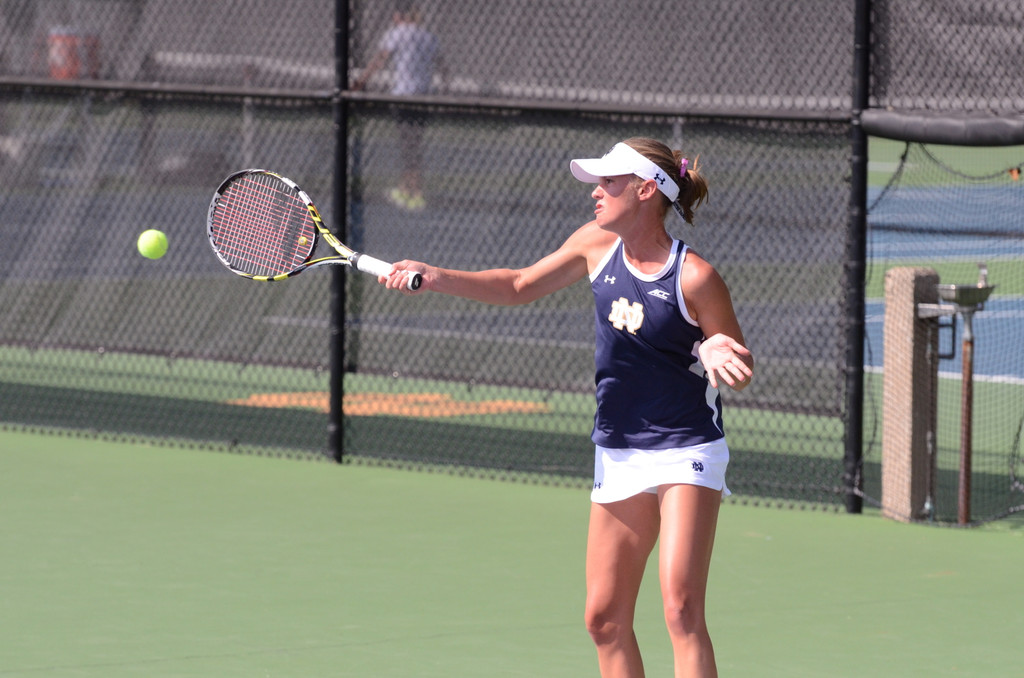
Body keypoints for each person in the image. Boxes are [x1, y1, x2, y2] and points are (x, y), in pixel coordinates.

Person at [379, 137, 754, 678]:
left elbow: (739, 371)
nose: (596, 194)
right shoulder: (593, 244)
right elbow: (516, 286)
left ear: (646, 190)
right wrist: (438, 276)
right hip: (619, 450)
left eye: (609, 182)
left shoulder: (694, 276)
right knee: (603, 619)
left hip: (685, 448)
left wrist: (717, 348)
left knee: (680, 608)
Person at [353, 1, 444, 211]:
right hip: (423, 97)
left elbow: (380, 60)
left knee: (409, 146)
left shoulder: (397, 33)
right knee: (413, 143)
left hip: (404, 97)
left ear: (398, 16)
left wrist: (362, 81)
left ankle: (416, 192)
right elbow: (442, 66)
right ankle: (406, 188)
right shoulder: (429, 37)